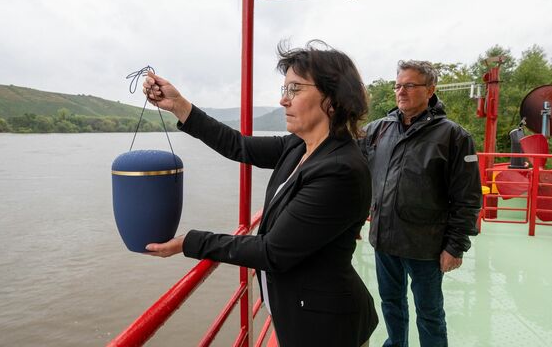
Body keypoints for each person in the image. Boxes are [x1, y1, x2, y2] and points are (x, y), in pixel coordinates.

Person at [143, 41, 378, 347]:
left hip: (327, 328)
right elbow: (238, 146)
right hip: (302, 316)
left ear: (332, 99)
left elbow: (272, 253)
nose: (283, 100)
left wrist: (191, 242)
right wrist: (179, 105)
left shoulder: (340, 170)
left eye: (294, 89)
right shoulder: (300, 146)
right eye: (284, 89)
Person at [358, 60, 481, 347]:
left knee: (429, 313)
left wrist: (455, 246)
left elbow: (468, 197)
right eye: (398, 85)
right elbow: (351, 168)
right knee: (391, 303)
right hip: (384, 238)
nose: (401, 91)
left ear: (430, 90)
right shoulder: (378, 130)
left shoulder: (453, 136)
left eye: (409, 85)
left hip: (426, 244)